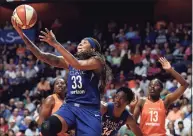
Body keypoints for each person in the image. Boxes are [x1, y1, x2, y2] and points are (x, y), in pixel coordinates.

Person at [12, 17, 111, 136]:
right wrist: (22, 35)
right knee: (47, 127)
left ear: (93, 49)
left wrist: (55, 43)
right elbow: (42, 56)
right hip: (70, 107)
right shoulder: (70, 61)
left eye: (84, 43)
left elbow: (78, 64)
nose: (80, 44)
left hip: (88, 110)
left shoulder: (97, 61)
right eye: (80, 42)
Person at [133, 57, 189, 136]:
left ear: (161, 89)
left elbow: (184, 85)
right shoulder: (142, 102)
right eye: (150, 85)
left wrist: (170, 70)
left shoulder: (165, 101)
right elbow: (131, 125)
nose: (152, 87)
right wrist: (132, 107)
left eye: (156, 85)